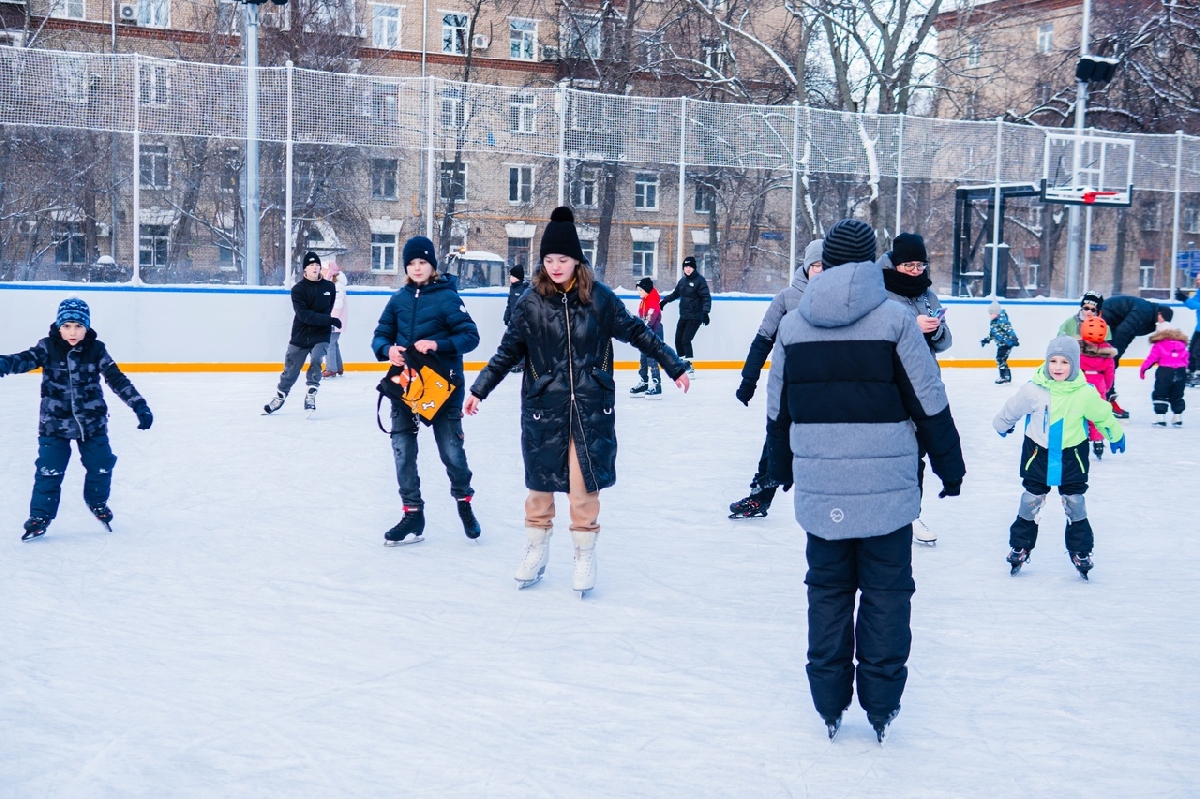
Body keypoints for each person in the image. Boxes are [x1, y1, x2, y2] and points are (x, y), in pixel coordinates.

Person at [766, 219, 965, 744]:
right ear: (872, 262)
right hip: (889, 491)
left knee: (828, 591)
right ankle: (881, 703)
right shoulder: (897, 321)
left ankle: (829, 702)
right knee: (887, 593)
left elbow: (778, 408)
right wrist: (950, 463)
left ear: (825, 262)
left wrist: (776, 465)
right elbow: (928, 398)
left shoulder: (793, 325)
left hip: (820, 489)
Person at [465, 207, 690, 597]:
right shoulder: (531, 303)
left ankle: (584, 552)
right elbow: (506, 353)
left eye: (563, 259)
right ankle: (536, 550)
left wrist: (672, 364)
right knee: (539, 487)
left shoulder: (600, 300)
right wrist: (478, 388)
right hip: (543, 406)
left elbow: (639, 333)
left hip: (589, 407)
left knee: (584, 486)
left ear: (576, 261)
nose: (555, 266)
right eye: (549, 259)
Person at [0, 298, 154, 542]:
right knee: (48, 471)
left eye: (78, 326)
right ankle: (40, 517)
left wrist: (139, 405)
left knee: (102, 465)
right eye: (67, 326)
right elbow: (23, 359)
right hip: (54, 424)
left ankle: (97, 501)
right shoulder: (47, 347)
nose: (73, 332)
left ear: (87, 327)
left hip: (92, 425)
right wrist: (3, 364)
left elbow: (117, 379)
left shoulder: (96, 350)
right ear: (59, 326)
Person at [372, 236, 482, 545]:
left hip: (443, 387)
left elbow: (470, 337)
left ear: (432, 265)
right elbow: (380, 334)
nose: (417, 268)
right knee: (403, 452)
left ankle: (464, 503)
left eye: (422, 262)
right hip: (406, 386)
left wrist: (437, 344)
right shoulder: (398, 299)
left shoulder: (447, 298)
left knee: (451, 452)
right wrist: (386, 349)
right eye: (412, 263)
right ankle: (412, 513)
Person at [994, 336, 1124, 580]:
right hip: (1037, 454)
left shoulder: (1085, 393)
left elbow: (1103, 415)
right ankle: (1020, 546)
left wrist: (1115, 434)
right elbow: (1012, 408)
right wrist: (1003, 424)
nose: (1058, 367)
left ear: (1074, 364)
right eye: (1053, 360)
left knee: (1074, 502)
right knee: (1031, 500)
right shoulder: (1033, 388)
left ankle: (1081, 550)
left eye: (1064, 362)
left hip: (1073, 455)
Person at [728, 238, 822, 519]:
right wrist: (748, 381)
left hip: (826, 384)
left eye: (827, 265)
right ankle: (760, 496)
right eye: (816, 265)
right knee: (777, 438)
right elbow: (762, 341)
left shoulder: (840, 299)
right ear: (806, 267)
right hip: (790, 383)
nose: (821, 270)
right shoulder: (786, 298)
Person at [877, 232, 951, 546]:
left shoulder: (927, 294)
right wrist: (912, 325)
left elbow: (946, 342)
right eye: (909, 264)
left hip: (923, 383)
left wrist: (936, 330)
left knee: (916, 454)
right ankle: (881, 511)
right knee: (888, 454)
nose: (915, 271)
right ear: (895, 263)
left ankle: (910, 513)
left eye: (920, 265)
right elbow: (875, 333)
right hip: (889, 383)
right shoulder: (877, 289)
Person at [264, 251, 341, 416]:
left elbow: (328, 307)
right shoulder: (298, 289)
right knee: (290, 370)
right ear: (304, 269)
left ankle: (311, 393)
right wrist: (329, 320)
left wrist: (327, 321)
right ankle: (280, 395)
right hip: (301, 335)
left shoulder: (329, 287)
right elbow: (304, 315)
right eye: (311, 265)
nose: (314, 268)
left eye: (317, 265)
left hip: (321, 335)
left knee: (316, 360)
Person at [1100, 294, 1174, 418]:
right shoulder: (1145, 311)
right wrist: (1115, 354)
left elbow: (1130, 334)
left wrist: (1118, 353)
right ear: (1160, 314)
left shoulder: (1149, 318)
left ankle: (1106, 399)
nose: (1163, 324)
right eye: (1164, 319)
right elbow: (1123, 331)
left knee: (1108, 364)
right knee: (1106, 363)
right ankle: (1105, 401)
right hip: (1105, 316)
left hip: (1111, 321)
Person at [659, 255, 711, 378]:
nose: (687, 269)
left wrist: (705, 312)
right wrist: (665, 301)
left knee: (685, 340)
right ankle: (682, 364)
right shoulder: (682, 281)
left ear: (694, 268)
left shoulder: (700, 281)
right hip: (684, 316)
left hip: (695, 317)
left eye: (690, 267)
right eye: (686, 267)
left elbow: (706, 297)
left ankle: (689, 367)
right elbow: (675, 294)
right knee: (678, 340)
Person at [1078, 316, 1118, 459]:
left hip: (1081, 384)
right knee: (1097, 414)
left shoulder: (1077, 349)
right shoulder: (1107, 353)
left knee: (1079, 413)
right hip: (1099, 384)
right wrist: (1105, 387)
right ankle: (1098, 441)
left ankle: (1078, 440)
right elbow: (1110, 374)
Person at [1139, 320, 1189, 427]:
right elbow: (1187, 359)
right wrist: (1186, 372)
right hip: (1180, 371)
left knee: (1160, 393)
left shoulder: (1159, 345)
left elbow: (1151, 359)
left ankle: (1160, 417)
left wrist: (1143, 369)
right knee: (1177, 394)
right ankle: (1177, 417)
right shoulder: (1181, 344)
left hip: (1165, 372)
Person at [629, 277, 665, 399]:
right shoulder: (644, 300)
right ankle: (644, 383)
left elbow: (650, 319)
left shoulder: (653, 301)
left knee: (652, 359)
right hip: (645, 334)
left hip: (654, 334)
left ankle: (656, 385)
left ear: (647, 290)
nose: (639, 292)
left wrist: (640, 329)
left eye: (640, 290)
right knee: (643, 359)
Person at [980, 300, 1019, 384]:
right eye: (990, 314)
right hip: (1001, 344)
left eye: (992, 313)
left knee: (1000, 359)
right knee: (1002, 359)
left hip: (1007, 343)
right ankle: (1006, 376)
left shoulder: (1002, 320)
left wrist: (1014, 338)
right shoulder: (993, 322)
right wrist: (986, 340)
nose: (990, 316)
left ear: (997, 313)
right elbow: (993, 333)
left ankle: (1003, 377)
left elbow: (1009, 329)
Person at [322, 260, 348, 379]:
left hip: (334, 320)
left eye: (324, 270)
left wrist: (331, 320)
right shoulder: (333, 285)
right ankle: (338, 367)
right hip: (335, 320)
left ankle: (331, 368)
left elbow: (337, 305)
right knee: (334, 343)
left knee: (329, 343)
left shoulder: (336, 286)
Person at [1174, 276, 1200, 386]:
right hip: (1199, 328)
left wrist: (1185, 299)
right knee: (1191, 350)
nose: (1198, 281)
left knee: (1197, 351)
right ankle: (1190, 371)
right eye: (1197, 279)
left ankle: (1199, 373)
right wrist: (1183, 298)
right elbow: (1193, 305)